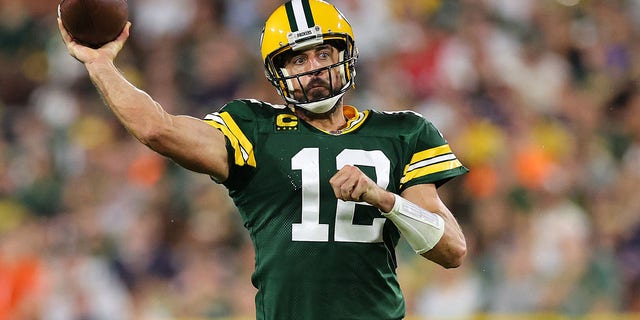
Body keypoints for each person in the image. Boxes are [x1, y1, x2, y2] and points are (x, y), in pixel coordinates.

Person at [57, 0, 469, 319]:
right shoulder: (254, 127)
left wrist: (384, 199)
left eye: (324, 54)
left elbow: (451, 250)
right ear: (277, 72)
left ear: (346, 55)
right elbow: (158, 128)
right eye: (298, 59)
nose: (315, 69)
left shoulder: (404, 132)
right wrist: (100, 65)